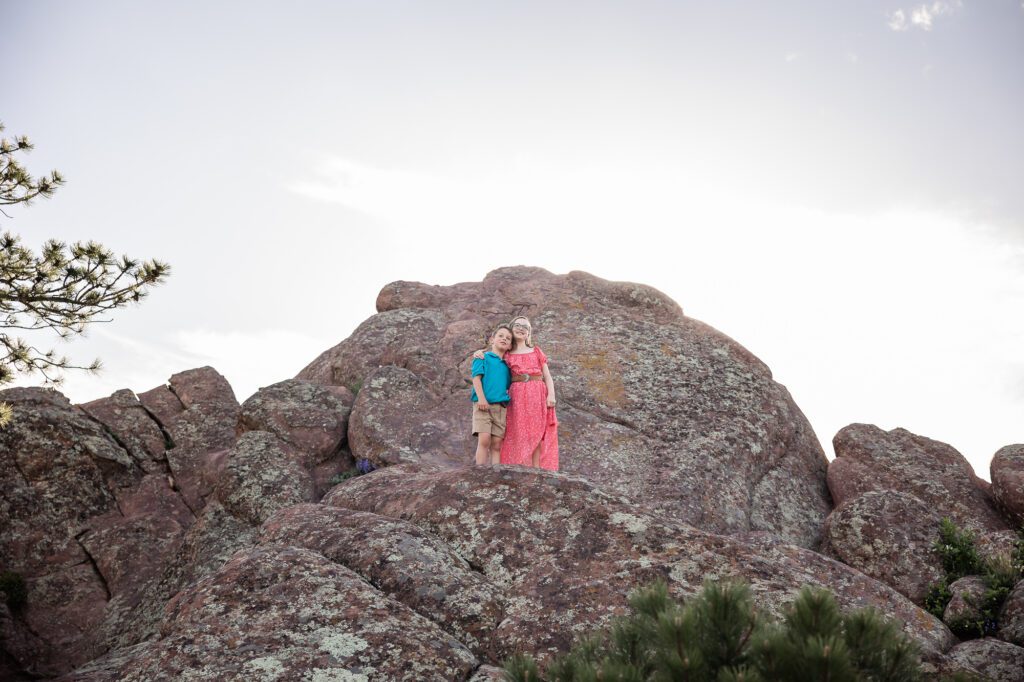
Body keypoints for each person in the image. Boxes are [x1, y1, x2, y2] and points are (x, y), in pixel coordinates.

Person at [477, 316, 559, 470]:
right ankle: (516, 467)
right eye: (518, 325)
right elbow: (493, 356)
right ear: (511, 328)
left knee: (537, 430)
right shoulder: (507, 353)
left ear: (529, 333)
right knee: (517, 430)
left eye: (525, 327)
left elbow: (547, 376)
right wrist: (479, 352)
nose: (521, 328)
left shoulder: (536, 351)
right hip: (516, 395)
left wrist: (551, 395)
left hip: (537, 391)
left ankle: (536, 470)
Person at [470, 324, 513, 465]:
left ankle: (495, 473)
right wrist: (482, 399)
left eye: (508, 338)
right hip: (483, 404)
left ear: (510, 346)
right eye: (500, 336)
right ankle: (480, 470)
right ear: (492, 340)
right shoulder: (482, 357)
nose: (504, 339)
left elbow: (506, 385)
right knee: (484, 439)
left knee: (496, 444)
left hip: (500, 407)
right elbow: (476, 379)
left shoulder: (507, 366)